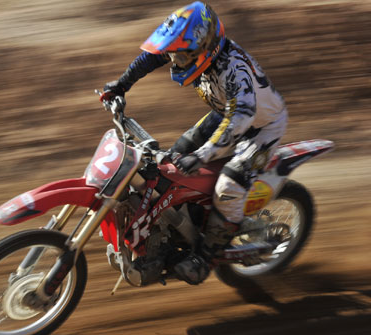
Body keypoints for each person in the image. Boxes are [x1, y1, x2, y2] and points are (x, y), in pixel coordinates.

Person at [100, 1, 288, 285]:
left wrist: (203, 154)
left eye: (181, 57)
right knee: (170, 161)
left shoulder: (234, 70)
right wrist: (122, 84)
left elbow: (241, 118)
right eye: (175, 55)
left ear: (204, 49)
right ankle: (181, 226)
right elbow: (154, 56)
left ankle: (206, 257)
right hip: (224, 114)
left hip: (260, 128)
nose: (175, 61)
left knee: (229, 187)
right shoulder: (193, 50)